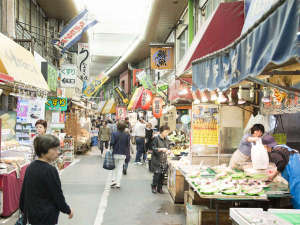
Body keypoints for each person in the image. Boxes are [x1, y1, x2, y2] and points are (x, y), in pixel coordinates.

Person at [19, 135, 73, 225]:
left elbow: (24, 192)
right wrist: (67, 210)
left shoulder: (30, 167)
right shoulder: (50, 170)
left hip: (32, 215)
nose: (57, 152)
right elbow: (57, 195)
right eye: (55, 149)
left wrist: (23, 210)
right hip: (46, 216)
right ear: (44, 151)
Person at [263, 135, 300, 209]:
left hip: (296, 175)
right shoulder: (282, 147)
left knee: (298, 196)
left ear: (265, 146)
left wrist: (272, 176)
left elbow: (281, 164)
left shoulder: (274, 152)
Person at [110, 121, 130, 188]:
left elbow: (112, 142)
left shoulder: (114, 133)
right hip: (123, 153)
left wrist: (111, 146)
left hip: (115, 152)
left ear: (117, 127)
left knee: (114, 167)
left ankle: (113, 181)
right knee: (120, 168)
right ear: (124, 128)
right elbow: (128, 144)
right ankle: (118, 183)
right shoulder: (127, 134)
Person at [151, 125, 171, 194]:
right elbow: (153, 148)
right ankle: (154, 187)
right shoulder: (156, 138)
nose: (167, 134)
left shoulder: (167, 139)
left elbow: (168, 148)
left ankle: (160, 188)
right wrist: (160, 149)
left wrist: (168, 151)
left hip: (164, 159)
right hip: (157, 159)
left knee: (162, 175)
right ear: (161, 132)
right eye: (166, 132)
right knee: (157, 174)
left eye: (168, 132)